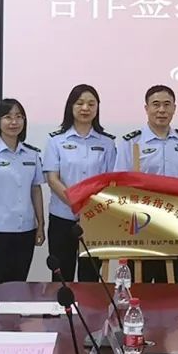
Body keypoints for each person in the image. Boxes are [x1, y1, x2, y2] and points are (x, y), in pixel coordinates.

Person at [115, 85, 178, 283]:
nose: (161, 110)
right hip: (141, 222)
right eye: (156, 105)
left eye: (167, 105)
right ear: (146, 108)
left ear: (174, 108)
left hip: (175, 222)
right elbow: (120, 182)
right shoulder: (132, 142)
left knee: (172, 283)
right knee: (139, 283)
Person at [0, 99, 45, 304]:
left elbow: (36, 189)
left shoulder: (32, 153)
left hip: (25, 232)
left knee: (18, 289)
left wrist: (41, 225)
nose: (14, 122)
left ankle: (13, 325)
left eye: (19, 117)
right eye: (8, 117)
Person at [44, 84, 117, 282]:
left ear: (97, 108)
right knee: (62, 277)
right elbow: (52, 179)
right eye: (80, 103)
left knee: (90, 278)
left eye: (91, 104)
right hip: (62, 217)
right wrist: (77, 203)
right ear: (71, 106)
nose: (85, 108)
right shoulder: (56, 141)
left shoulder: (107, 143)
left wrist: (89, 208)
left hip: (96, 218)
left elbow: (110, 182)